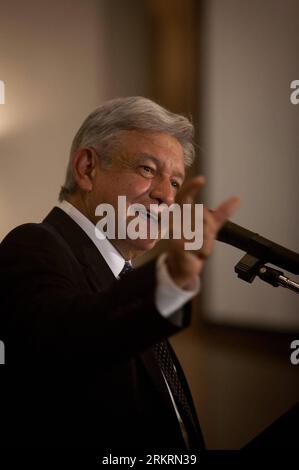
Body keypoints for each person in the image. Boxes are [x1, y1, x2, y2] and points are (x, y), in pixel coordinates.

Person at [0, 97, 239, 449]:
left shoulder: (123, 277)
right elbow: (69, 340)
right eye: (147, 169)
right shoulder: (34, 245)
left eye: (175, 182)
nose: (165, 197)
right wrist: (169, 278)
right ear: (87, 168)